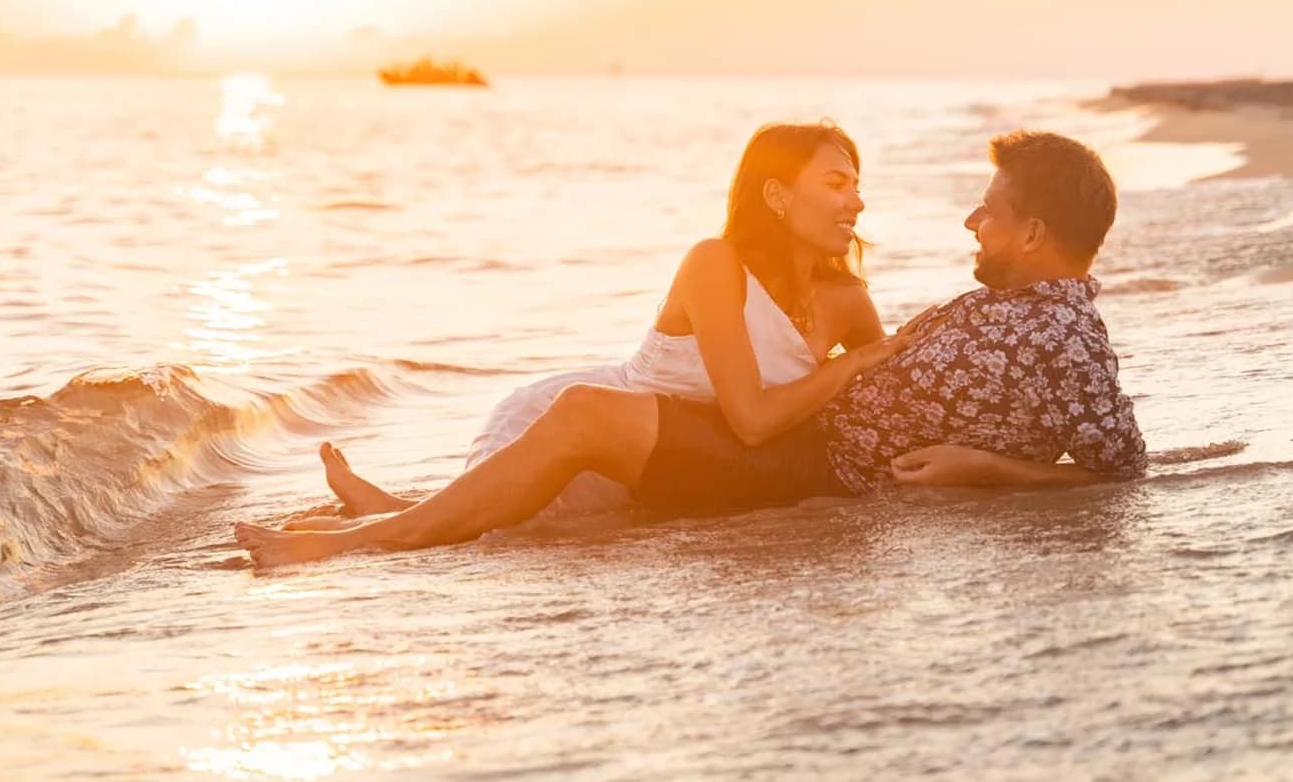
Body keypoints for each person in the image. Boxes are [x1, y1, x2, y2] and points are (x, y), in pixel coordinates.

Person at [236, 129, 1146, 568]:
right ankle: (391, 517)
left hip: (808, 463)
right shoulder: (1013, 307)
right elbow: (863, 361)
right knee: (577, 460)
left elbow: (1120, 472)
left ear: (1031, 235)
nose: (971, 220)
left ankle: (359, 545)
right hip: (788, 444)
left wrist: (982, 467)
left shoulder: (1069, 336)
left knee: (585, 421)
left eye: (989, 211)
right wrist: (870, 372)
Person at [300, 117, 904, 526]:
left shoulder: (845, 297)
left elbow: (896, 399)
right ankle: (395, 514)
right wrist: (848, 363)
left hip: (672, 457)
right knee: (502, 538)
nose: (856, 201)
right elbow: (750, 419)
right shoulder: (715, 264)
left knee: (510, 532)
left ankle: (398, 509)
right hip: (588, 430)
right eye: (835, 183)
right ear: (776, 196)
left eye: (856, 185)